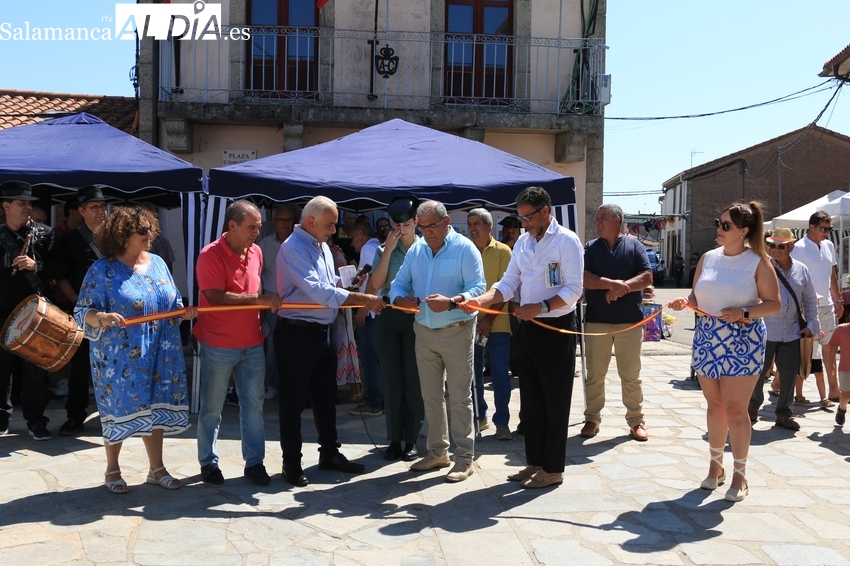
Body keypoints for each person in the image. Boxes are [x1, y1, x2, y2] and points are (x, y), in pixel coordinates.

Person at [464, 186, 583, 489]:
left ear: (545, 211)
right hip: (527, 329)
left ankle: (554, 469)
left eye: (528, 218)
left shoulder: (567, 242)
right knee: (531, 402)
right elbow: (507, 283)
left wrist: (542, 306)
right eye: (521, 219)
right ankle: (535, 462)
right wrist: (483, 300)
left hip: (555, 328)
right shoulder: (523, 244)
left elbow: (573, 290)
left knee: (555, 402)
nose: (524, 225)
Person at [73, 206, 196, 493]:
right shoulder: (102, 269)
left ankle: (157, 468)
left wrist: (183, 312)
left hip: (160, 352)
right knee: (118, 407)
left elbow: (172, 302)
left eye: (150, 228)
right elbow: (82, 312)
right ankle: (112, 469)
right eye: (142, 230)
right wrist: (101, 317)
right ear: (122, 235)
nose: (149, 234)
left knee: (156, 404)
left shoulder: (158, 263)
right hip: (119, 357)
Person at [668, 201, 779, 503]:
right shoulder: (708, 258)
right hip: (707, 337)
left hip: (743, 340)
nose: (719, 228)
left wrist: (743, 312)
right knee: (714, 404)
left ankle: (740, 475)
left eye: (726, 225)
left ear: (744, 231)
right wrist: (685, 301)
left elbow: (773, 303)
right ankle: (715, 466)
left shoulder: (758, 261)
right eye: (719, 222)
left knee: (735, 409)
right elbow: (697, 294)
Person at [275, 196, 386, 487]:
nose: (335, 230)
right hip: (296, 334)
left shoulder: (321, 246)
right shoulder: (292, 248)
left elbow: (329, 287)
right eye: (330, 224)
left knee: (326, 399)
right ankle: (291, 463)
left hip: (321, 332)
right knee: (294, 402)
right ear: (310, 222)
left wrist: (349, 285)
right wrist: (362, 298)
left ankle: (329, 453)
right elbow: (318, 292)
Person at [390, 200, 485, 483]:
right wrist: (399, 298)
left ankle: (464, 458)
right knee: (430, 397)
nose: (428, 232)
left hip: (457, 330)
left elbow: (478, 288)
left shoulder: (464, 248)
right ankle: (437, 452)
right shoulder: (416, 250)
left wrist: (454, 302)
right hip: (424, 332)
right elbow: (398, 283)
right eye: (423, 226)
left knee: (459, 397)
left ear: (446, 222)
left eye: (433, 226)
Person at [194, 200, 282, 486]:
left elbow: (253, 290)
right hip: (219, 344)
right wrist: (259, 300)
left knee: (253, 406)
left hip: (252, 342)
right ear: (232, 226)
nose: (257, 232)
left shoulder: (256, 252)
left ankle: (254, 462)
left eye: (258, 226)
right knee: (212, 406)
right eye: (252, 227)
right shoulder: (210, 255)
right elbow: (216, 297)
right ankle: (208, 462)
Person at [581, 203, 652, 441]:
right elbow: (585, 278)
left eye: (603, 218)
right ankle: (592, 418)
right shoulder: (590, 247)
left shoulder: (635, 245)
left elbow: (647, 276)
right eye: (597, 218)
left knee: (631, 375)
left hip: (629, 323)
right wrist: (610, 284)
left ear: (618, 220)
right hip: (597, 322)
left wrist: (621, 289)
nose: (598, 222)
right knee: (595, 375)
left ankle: (636, 420)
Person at [0, 181, 60, 439]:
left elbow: (60, 270)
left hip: (36, 316)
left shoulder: (45, 234)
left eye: (29, 203)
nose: (27, 207)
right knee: (1, 370)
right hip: (2, 314)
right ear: (6, 206)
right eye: (21, 203)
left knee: (35, 371)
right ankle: (1, 419)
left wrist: (36, 266)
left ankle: (36, 421)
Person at [366, 198, 424, 461]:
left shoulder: (425, 249)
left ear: (416, 223)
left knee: (413, 381)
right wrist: (388, 251)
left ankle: (411, 439)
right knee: (391, 381)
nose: (401, 229)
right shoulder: (382, 249)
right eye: (397, 224)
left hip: (415, 317)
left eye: (407, 224)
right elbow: (375, 285)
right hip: (389, 317)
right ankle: (394, 439)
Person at [53, 186, 111, 436]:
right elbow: (60, 276)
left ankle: (115, 415)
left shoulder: (116, 238)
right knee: (79, 366)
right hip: (83, 313)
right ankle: (76, 415)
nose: (101, 212)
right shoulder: (70, 239)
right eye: (95, 207)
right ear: (81, 211)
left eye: (103, 206)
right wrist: (77, 302)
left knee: (114, 365)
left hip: (114, 315)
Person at [747, 227, 818, 431]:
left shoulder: (802, 270)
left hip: (791, 331)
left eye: (781, 246)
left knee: (788, 375)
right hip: (764, 329)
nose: (775, 250)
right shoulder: (762, 267)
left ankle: (784, 414)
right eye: (771, 245)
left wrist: (811, 325)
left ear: (791, 247)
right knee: (758, 372)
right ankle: (752, 407)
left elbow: (810, 300)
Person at [466, 208, 514, 440]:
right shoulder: (465, 251)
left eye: (477, 223)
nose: (472, 228)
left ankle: (502, 422)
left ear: (488, 226)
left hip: (498, 324)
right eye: (469, 223)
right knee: (472, 374)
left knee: (500, 375)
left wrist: (488, 319)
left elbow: (506, 289)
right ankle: (479, 416)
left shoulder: (504, 251)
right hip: (469, 324)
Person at [791, 211, 842, 405]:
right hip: (807, 306)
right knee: (803, 350)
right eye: (823, 228)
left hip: (827, 304)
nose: (827, 232)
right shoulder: (799, 248)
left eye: (829, 229)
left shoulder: (829, 246)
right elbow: (796, 279)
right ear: (811, 227)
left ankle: (833, 389)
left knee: (829, 347)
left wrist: (838, 300)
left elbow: (832, 275)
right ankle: (789, 387)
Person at [257, 203, 299, 400]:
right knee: (273, 346)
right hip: (272, 302)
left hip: (296, 303)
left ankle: (292, 386)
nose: (285, 224)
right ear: (273, 222)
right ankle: (273, 385)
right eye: (281, 220)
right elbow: (257, 275)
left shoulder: (299, 243)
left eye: (288, 220)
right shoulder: (264, 245)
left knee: (294, 346)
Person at [349, 223, 384, 416]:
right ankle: (379, 400)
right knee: (375, 358)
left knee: (371, 358)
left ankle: (375, 402)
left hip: (372, 312)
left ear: (360, 233)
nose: (352, 244)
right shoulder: (376, 247)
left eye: (353, 238)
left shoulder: (368, 249)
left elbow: (374, 280)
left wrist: (363, 307)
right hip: (375, 310)